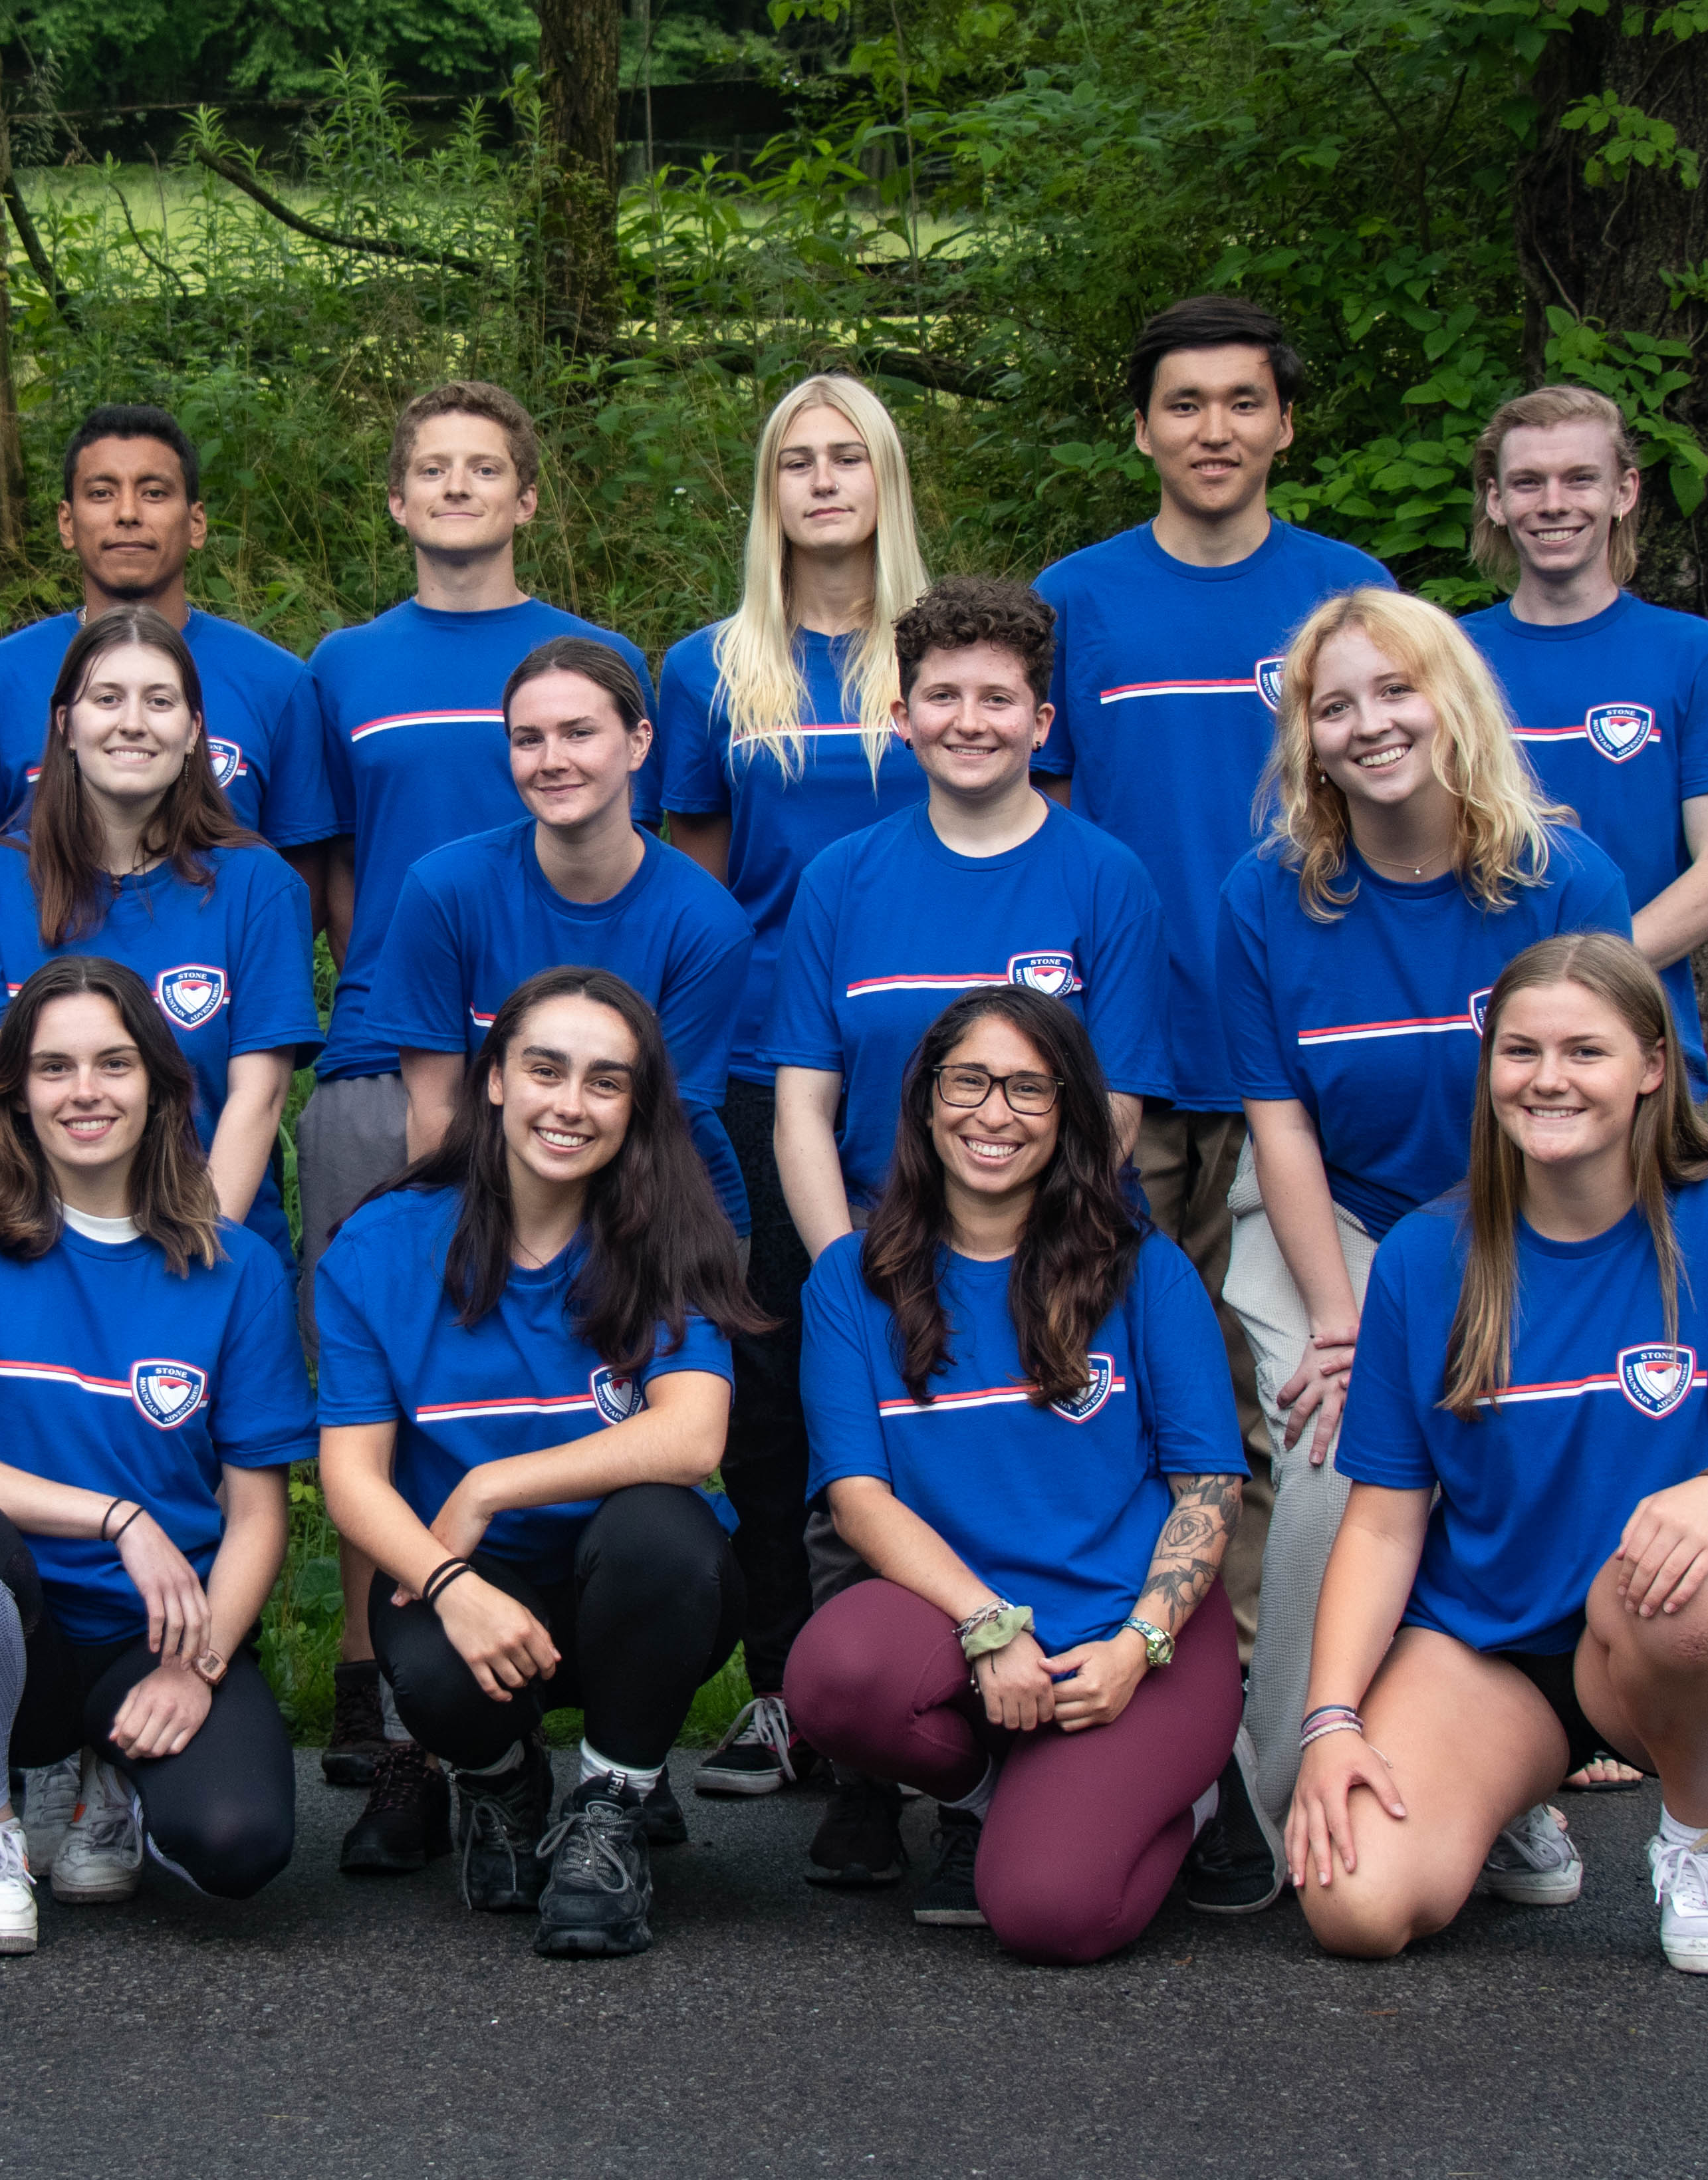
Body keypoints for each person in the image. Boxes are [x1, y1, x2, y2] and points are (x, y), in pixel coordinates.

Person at [1286, 931, 1708, 1976]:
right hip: (1489, 1645)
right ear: (1487, 1063)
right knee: (1351, 1906)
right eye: (1518, 1050)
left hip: (1673, 1631)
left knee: (1692, 1594)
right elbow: (1381, 1519)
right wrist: (1328, 1719)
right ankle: (1504, 1795)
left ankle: (1702, 1839)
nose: (1546, 1078)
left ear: (1648, 1066)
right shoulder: (1424, 1253)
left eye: (1583, 1051)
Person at [759, 573, 1173, 1877]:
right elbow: (801, 1104)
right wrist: (845, 1272)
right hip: (879, 1252)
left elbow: (1112, 1104)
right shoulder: (842, 877)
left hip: (1062, 1254)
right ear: (901, 713)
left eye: (996, 696)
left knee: (1055, 1489)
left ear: (1040, 717)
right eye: (941, 694)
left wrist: (1033, 1259)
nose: (969, 717)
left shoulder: (1101, 874)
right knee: (857, 1502)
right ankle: (874, 1775)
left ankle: (1091, 1745)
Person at [1221, 584, 1637, 1883]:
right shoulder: (1267, 894)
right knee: (1337, 1452)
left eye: (1392, 690)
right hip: (1329, 1222)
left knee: (1503, 1442)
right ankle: (1284, 1786)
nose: (1366, 723)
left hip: (1520, 1218)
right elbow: (1278, 1124)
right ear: (1304, 738)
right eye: (1331, 705)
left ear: (1447, 696)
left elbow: (1592, 1090)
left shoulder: (1561, 873)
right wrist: (1346, 1320)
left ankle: (1491, 1764)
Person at [1031, 297, 1394, 1730]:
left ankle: (1276, 1695)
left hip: (1293, 1078)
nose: (1212, 430)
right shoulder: (1079, 596)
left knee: (1286, 1389)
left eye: (1241, 402)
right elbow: (1040, 832)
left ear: (1283, 423)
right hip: (1121, 1062)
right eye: (1181, 404)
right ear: (1139, 429)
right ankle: (1130, 1678)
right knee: (1116, 1375)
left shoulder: (1344, 593)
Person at [300, 379, 657, 1796]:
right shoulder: (342, 662)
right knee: (379, 1379)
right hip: (392, 1065)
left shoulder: (588, 655)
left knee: (584, 1355)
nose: (454, 487)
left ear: (522, 497)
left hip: (568, 1085)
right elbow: (328, 861)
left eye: (483, 468)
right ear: (396, 500)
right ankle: (373, 1673)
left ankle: (601, 1667)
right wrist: (387, 1008)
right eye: (428, 468)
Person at [785, 988, 1245, 1963]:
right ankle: (998, 1790)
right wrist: (987, 1625)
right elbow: (857, 1498)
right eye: (969, 1081)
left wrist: (1137, 1645)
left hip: (1128, 1637)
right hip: (968, 1625)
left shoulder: (1141, 1270)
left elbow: (1208, 1486)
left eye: (1028, 1089)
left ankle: (1193, 1794)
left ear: (1071, 1111)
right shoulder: (849, 1279)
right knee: (834, 1674)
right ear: (922, 1100)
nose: (993, 1113)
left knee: (1050, 1911)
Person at [0, 957, 314, 1953]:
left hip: (147, 1634)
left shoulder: (233, 1265)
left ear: (159, 1084)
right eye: (54, 1066)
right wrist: (116, 1514)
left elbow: (255, 1513)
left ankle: (112, 1772)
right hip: (4, 1630)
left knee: (238, 1843)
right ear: (14, 1093)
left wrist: (197, 1669)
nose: (84, 1091)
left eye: (114, 1063)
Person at [314, 968, 761, 1958]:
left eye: (604, 1081)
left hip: (633, 1588)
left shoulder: (670, 1235)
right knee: (425, 1657)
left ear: (636, 1104)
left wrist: (487, 1483)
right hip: (472, 1581)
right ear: (494, 1082)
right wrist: (444, 1577)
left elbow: (691, 1437)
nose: (569, 1103)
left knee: (662, 1534)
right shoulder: (381, 1248)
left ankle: (609, 1800)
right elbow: (349, 1475)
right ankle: (501, 1782)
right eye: (544, 1070)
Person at [658, 374, 934, 1808]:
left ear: (884, 481)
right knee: (769, 1389)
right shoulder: (708, 666)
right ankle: (782, 1685)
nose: (821, 481)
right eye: (793, 462)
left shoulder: (947, 655)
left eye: (847, 458)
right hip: (773, 1076)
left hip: (951, 1079)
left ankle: (935, 1676)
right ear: (766, 492)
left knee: (948, 1369)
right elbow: (692, 895)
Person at [0, 604, 317, 1269]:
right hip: (45, 1250)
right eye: (107, 698)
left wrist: (197, 1252)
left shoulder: (260, 886)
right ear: (65, 725)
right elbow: (9, 1095)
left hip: (210, 1243)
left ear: (194, 730)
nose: (132, 723)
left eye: (160, 701)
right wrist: (74, 1259)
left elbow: (256, 1102)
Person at [1461, 384, 1708, 1104]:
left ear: (1624, 491)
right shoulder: (1446, 658)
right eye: (1525, 482)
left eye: (1578, 478)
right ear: (1494, 500)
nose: (1551, 503)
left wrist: (1568, 991)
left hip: (1637, 1046)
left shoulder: (1695, 655)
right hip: (1466, 1038)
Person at [375, 636, 749, 1229]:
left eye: (578, 733)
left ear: (638, 742)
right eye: (529, 739)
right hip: (484, 1202)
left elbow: (661, 1127)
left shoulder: (706, 923)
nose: (551, 760)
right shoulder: (445, 890)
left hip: (652, 1217)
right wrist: (453, 1258)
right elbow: (436, 1109)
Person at [0, 404, 334, 909]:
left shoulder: (275, 682)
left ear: (196, 523)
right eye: (101, 493)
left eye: (154, 492)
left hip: (207, 985)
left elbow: (300, 890)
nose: (127, 513)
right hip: (45, 977)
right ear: (67, 522)